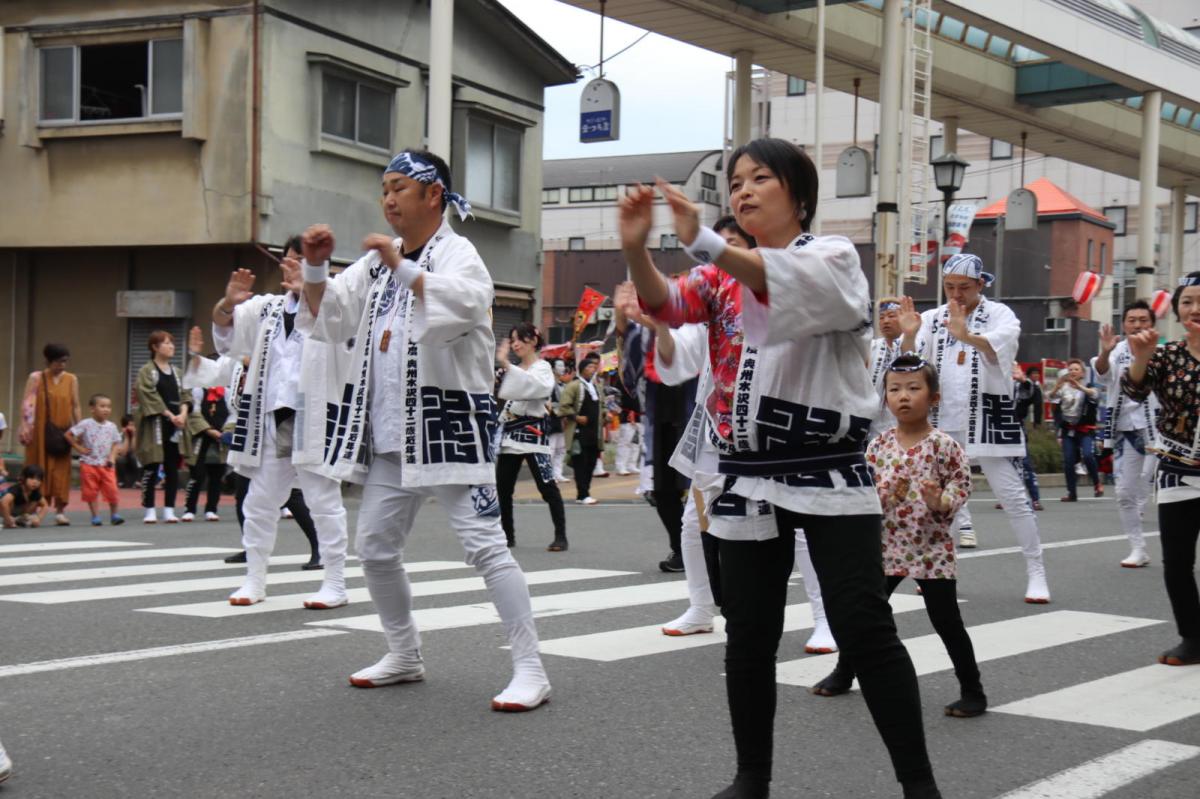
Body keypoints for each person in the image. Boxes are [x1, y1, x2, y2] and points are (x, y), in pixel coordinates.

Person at [624, 138, 940, 799]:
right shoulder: (717, 273)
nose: (742, 189)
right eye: (735, 180)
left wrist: (704, 242)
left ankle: (919, 784)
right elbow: (667, 306)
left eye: (760, 177)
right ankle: (752, 777)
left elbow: (781, 283)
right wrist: (636, 249)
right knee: (750, 633)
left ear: (797, 193)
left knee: (864, 626)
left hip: (825, 462)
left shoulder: (832, 257)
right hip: (745, 470)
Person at [296, 148, 550, 711]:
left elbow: (464, 305)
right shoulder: (372, 266)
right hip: (390, 433)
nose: (387, 198)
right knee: (376, 548)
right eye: (383, 187)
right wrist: (316, 269)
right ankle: (404, 653)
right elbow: (331, 317)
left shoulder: (458, 252)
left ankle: (531, 667)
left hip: (448, 424)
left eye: (399, 187)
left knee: (486, 545)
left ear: (433, 194)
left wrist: (402, 266)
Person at [811, 354, 985, 717]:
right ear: (885, 397)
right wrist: (873, 501)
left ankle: (973, 690)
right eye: (894, 389)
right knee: (865, 615)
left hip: (931, 548)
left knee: (947, 621)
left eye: (914, 388)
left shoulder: (944, 445)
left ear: (933, 397)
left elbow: (961, 482)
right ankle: (845, 673)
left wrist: (943, 500)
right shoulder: (879, 446)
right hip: (885, 546)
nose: (903, 396)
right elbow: (865, 486)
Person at [899, 259, 1050, 603]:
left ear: (981, 284)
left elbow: (1003, 347)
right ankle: (939, 573)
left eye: (964, 287)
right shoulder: (935, 317)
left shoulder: (1000, 314)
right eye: (950, 287)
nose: (956, 294)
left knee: (1013, 497)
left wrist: (968, 335)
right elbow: (911, 362)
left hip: (987, 417)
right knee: (941, 505)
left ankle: (1036, 571)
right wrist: (908, 334)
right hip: (943, 421)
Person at [211, 235, 348, 609]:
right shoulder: (267, 307)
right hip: (272, 415)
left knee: (323, 501)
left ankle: (335, 582)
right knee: (260, 501)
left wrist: (313, 290)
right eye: (289, 259)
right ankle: (254, 580)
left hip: (316, 414)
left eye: (302, 261)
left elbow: (343, 334)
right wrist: (228, 303)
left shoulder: (337, 300)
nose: (292, 266)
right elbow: (226, 336)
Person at [1123, 271, 1200, 666]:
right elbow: (1134, 390)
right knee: (1177, 560)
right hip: (1178, 466)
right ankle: (1192, 637)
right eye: (1187, 301)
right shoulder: (1167, 354)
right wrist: (1140, 357)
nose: (1194, 308)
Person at [1095, 301, 1159, 567]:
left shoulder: (1163, 350)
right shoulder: (1116, 350)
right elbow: (1101, 373)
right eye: (1132, 320)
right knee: (1124, 492)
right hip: (1124, 429)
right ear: (1124, 324)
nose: (1137, 324)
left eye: (1143, 319)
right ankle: (1138, 548)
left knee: (1150, 481)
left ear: (1151, 324)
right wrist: (1104, 351)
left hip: (1158, 430)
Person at [494, 322, 568, 551]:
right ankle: (507, 535)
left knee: (547, 487)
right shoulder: (513, 370)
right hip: (511, 434)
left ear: (533, 341)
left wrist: (506, 364)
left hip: (533, 435)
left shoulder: (542, 368)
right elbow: (503, 393)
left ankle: (560, 536)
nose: (515, 344)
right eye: (512, 340)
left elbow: (538, 388)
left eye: (520, 339)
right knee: (503, 488)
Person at [134, 331, 203, 524]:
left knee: (172, 467)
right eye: (166, 343)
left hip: (176, 427)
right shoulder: (147, 371)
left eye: (172, 343)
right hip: (155, 424)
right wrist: (169, 415)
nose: (171, 347)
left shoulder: (178, 372)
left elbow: (186, 395)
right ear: (155, 347)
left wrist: (182, 414)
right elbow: (148, 394)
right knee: (152, 466)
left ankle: (169, 509)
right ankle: (149, 509)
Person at [19, 343, 81, 526]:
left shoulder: (72, 379)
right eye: (58, 362)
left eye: (64, 361)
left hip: (62, 431)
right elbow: (27, 404)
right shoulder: (36, 378)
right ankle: (31, 509)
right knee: (36, 468)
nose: (62, 365)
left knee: (61, 470)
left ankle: (60, 511)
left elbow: (76, 405)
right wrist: (24, 427)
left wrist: (80, 428)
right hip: (38, 432)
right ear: (48, 360)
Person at [181, 328, 233, 523]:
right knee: (197, 473)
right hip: (201, 437)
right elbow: (194, 412)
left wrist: (224, 432)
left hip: (220, 437)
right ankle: (189, 508)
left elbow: (232, 414)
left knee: (216, 474)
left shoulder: (227, 392)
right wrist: (209, 431)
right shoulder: (198, 390)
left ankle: (211, 508)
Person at [65, 394, 127, 526]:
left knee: (112, 489)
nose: (106, 409)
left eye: (109, 407)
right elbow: (68, 435)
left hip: (106, 464)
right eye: (102, 406)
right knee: (91, 491)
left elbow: (117, 443)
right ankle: (95, 516)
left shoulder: (112, 426)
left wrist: (112, 456)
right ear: (92, 408)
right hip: (88, 463)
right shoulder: (85, 424)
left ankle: (114, 515)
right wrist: (78, 448)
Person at [1049, 358, 1102, 502]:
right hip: (1068, 430)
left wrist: (1080, 387)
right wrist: (1057, 386)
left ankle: (1097, 483)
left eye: (1076, 369)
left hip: (1085, 429)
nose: (1072, 372)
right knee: (1068, 460)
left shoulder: (1089, 386)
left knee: (1088, 455)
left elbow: (1096, 395)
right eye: (1070, 369)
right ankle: (1071, 492)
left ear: (1082, 373)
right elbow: (1051, 398)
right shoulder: (1063, 388)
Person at [558, 354, 604, 506]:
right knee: (580, 463)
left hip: (594, 432)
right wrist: (576, 418)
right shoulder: (574, 385)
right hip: (579, 431)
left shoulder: (596, 386)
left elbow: (600, 406)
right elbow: (563, 406)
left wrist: (605, 414)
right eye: (590, 367)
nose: (593, 369)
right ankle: (583, 494)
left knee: (591, 462)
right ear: (583, 369)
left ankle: (584, 493)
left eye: (594, 367)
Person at [1009, 363, 1044, 511]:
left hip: (1016, 427)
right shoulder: (998, 381)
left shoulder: (1023, 385)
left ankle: (1035, 498)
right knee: (1006, 465)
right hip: (997, 428)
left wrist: (1023, 380)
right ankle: (1008, 498)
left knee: (1024, 462)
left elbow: (1030, 393)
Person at [869, 297, 905, 437]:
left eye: (891, 316)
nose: (886, 321)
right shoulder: (872, 347)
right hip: (875, 426)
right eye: (882, 317)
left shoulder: (915, 345)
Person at [1, 464, 50, 528]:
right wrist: (7, 519)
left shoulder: (35, 492)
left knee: (36, 501)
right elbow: (3, 502)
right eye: (32, 478)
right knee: (7, 501)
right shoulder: (17, 489)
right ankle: (9, 519)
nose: (35, 482)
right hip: (5, 510)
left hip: (19, 512)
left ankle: (20, 519)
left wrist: (38, 518)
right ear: (24, 478)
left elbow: (45, 505)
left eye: (38, 480)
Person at [548, 359, 571, 483]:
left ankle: (558, 473)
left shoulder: (563, 384)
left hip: (562, 419)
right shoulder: (549, 384)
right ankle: (549, 474)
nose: (562, 368)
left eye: (563, 365)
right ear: (553, 369)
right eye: (559, 366)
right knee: (551, 448)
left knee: (561, 448)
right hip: (552, 419)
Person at [115, 414, 140, 488]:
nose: (132, 428)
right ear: (124, 427)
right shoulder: (119, 436)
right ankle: (121, 481)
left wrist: (134, 436)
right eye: (130, 425)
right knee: (120, 459)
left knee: (133, 456)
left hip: (134, 459)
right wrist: (126, 437)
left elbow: (134, 450)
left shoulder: (137, 435)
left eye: (133, 425)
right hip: (124, 459)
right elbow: (123, 453)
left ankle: (138, 481)